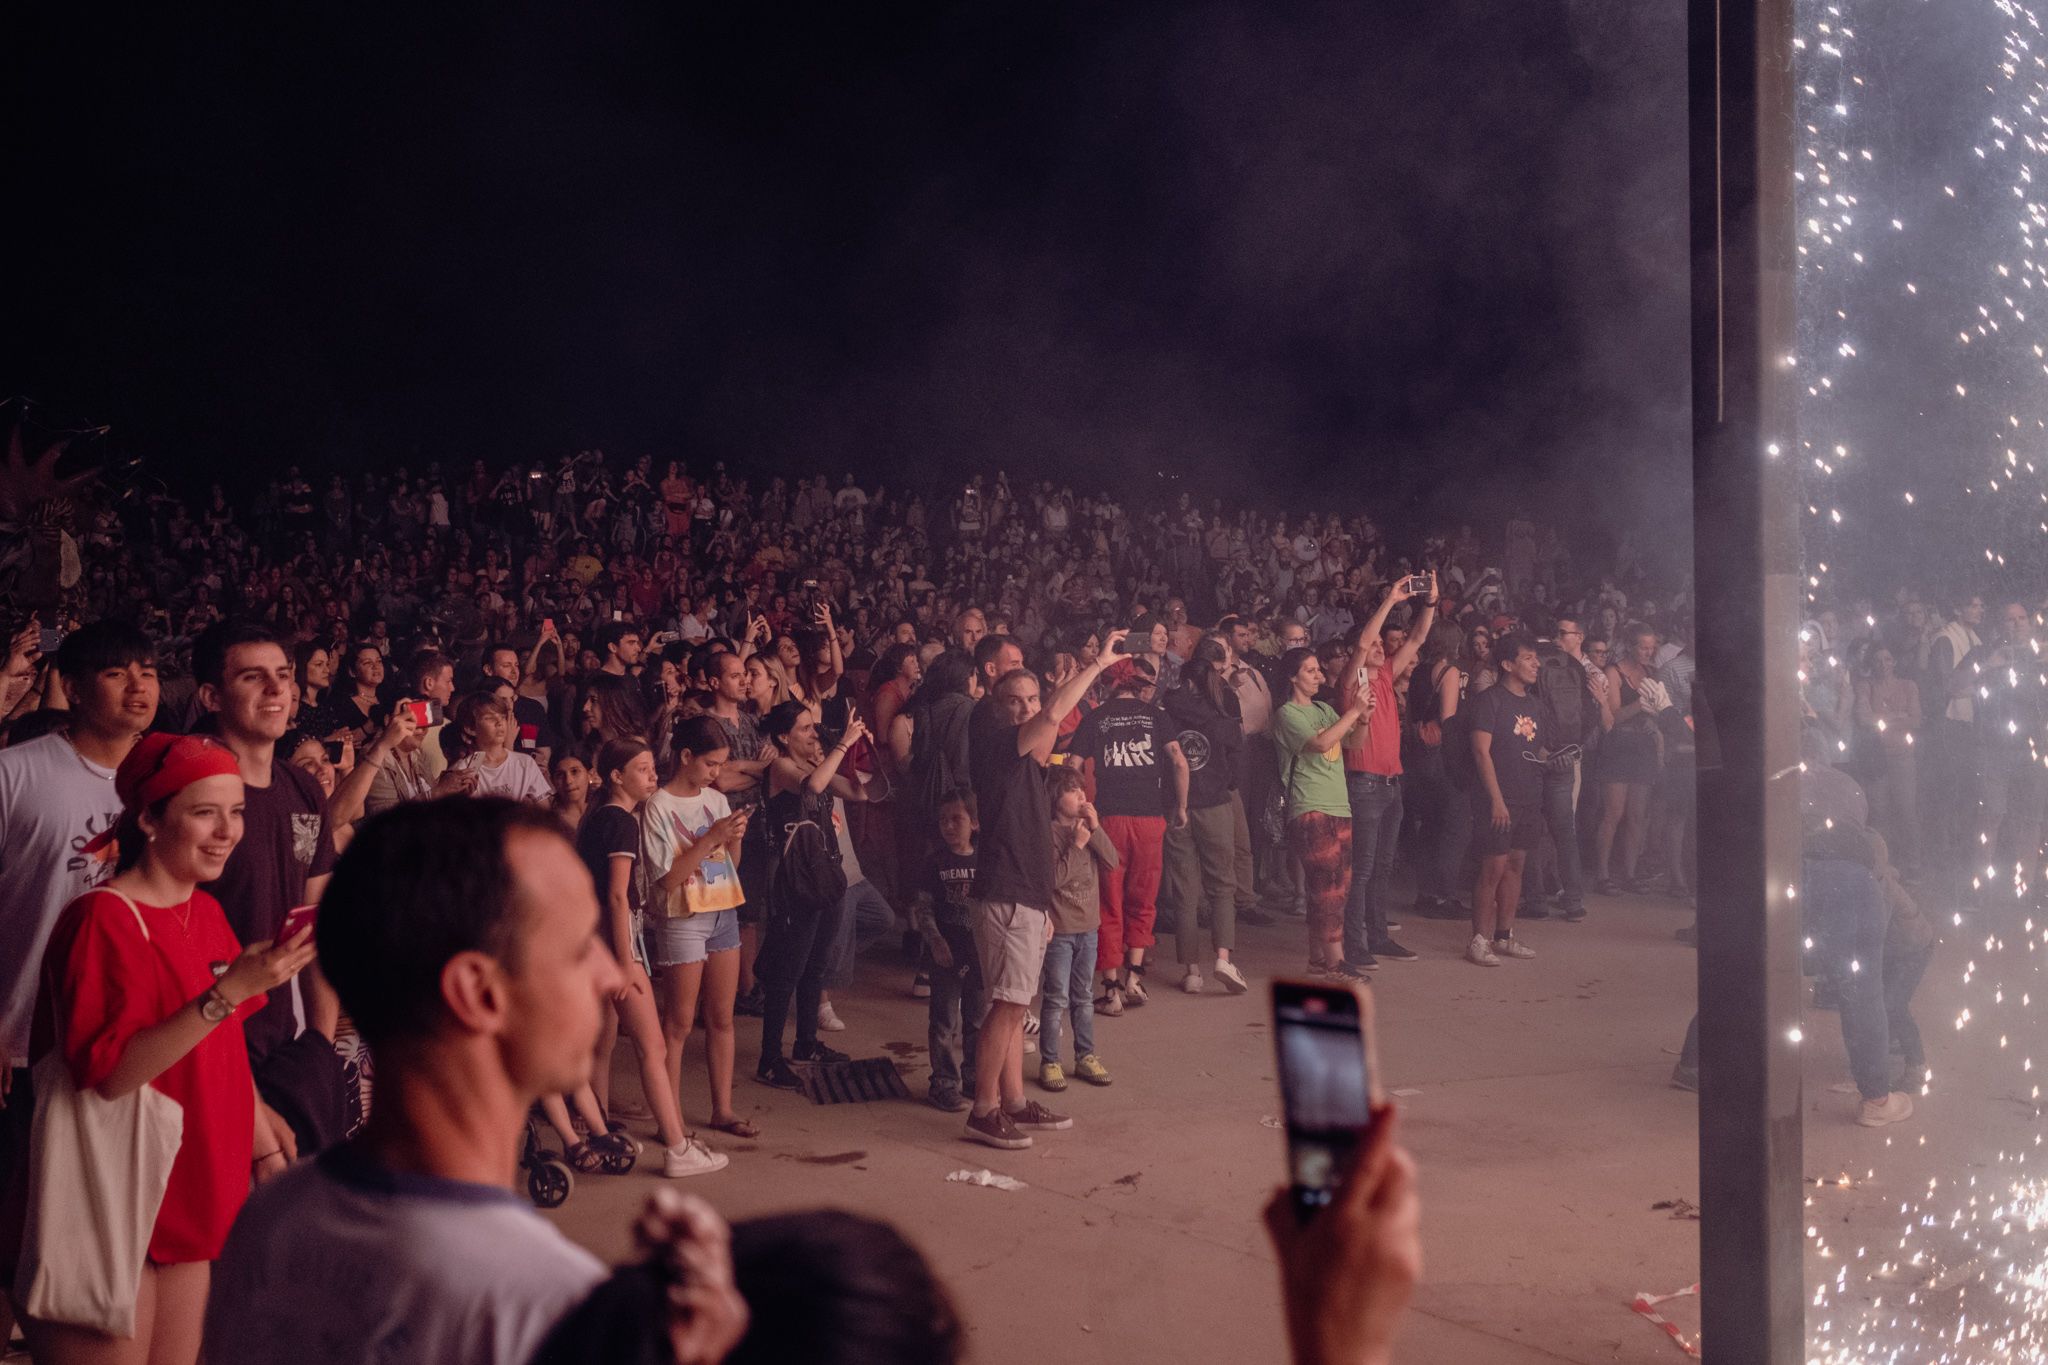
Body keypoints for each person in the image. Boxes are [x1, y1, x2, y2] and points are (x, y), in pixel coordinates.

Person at [205, 798, 750, 1365]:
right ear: (480, 993)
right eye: (577, 946)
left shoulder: (273, 1219)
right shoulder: (544, 1304)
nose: (610, 973)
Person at [6, 733, 312, 1365]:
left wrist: (259, 1129)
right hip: (116, 1200)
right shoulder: (102, 918)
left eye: (236, 812)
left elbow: (217, 1047)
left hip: (194, 1194)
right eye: (205, 812)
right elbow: (111, 1073)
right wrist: (227, 993)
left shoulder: (205, 912)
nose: (227, 831)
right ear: (149, 818)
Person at [192, 620, 349, 1152]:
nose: (278, 689)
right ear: (211, 695)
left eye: (283, 675)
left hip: (284, 1046)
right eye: (254, 678)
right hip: (197, 1042)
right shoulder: (188, 789)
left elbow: (317, 927)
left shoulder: (304, 788)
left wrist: (320, 1048)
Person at [963, 631, 1123, 1150]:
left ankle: (1011, 1102)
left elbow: (1054, 723)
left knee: (1013, 1006)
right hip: (1005, 892)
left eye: (1032, 698)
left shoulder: (1029, 762)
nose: (1028, 709)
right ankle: (983, 1109)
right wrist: (1097, 664)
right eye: (1016, 701)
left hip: (1026, 894)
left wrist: (1044, 905)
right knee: (1008, 1006)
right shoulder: (993, 740)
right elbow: (1054, 717)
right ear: (995, 704)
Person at [0, 624, 160, 1123]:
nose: (138, 687)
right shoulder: (15, 774)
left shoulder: (169, 780)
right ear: (71, 687)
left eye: (148, 673)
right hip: (22, 1041)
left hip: (137, 1042)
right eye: (117, 674)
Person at [579, 734, 727, 1177]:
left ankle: (598, 1132)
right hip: (616, 944)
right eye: (642, 769)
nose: (652, 776)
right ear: (615, 776)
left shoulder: (598, 817)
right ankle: (678, 1146)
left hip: (593, 943)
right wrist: (626, 964)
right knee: (653, 1045)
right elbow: (618, 896)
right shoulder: (621, 822)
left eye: (651, 767)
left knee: (603, 1043)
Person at [639, 718, 756, 1146]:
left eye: (721, 764)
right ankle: (667, 1118)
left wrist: (734, 837)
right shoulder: (658, 806)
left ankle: (721, 1108)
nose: (715, 773)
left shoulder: (717, 800)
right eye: (710, 763)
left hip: (723, 907)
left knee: (722, 1017)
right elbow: (666, 880)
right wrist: (711, 839)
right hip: (682, 916)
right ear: (685, 756)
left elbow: (730, 865)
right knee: (678, 1023)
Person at [754, 703, 869, 1090]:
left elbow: (859, 793)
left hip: (823, 875)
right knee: (787, 969)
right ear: (785, 737)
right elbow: (815, 787)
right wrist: (843, 745)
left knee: (814, 965)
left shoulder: (814, 764)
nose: (813, 733)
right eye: (804, 728)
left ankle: (806, 1043)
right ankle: (769, 1058)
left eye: (812, 726)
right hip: (794, 880)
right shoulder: (782, 768)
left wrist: (853, 750)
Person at [1068, 658, 1186, 1012]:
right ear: (1138, 685)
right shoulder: (1156, 716)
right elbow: (1179, 762)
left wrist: (1079, 810)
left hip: (1109, 821)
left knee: (1108, 901)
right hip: (1150, 820)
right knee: (1143, 898)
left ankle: (1110, 989)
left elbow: (1073, 767)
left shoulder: (1096, 718)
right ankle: (1134, 977)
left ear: (1108, 686)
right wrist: (1180, 806)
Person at [1336, 575, 1435, 968]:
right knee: (1360, 870)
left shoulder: (1385, 678)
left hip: (1391, 784)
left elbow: (1417, 640)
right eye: (1376, 644)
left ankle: (1376, 937)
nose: (1380, 647)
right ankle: (1354, 943)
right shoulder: (1352, 681)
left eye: (1382, 645)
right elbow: (1363, 642)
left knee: (1381, 867)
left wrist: (1430, 603)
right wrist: (1392, 599)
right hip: (1364, 784)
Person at [1272, 647, 1372, 980]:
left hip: (1338, 804)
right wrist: (1353, 712)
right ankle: (1335, 963)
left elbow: (1354, 744)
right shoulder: (1287, 713)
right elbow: (1320, 743)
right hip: (1310, 807)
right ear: (1293, 677)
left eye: (1318, 669)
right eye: (1311, 670)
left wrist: (1364, 718)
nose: (1318, 676)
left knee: (1334, 887)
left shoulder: (1324, 708)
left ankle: (1318, 959)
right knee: (1329, 887)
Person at [1159, 637, 1252, 994]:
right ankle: (1223, 959)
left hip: (1176, 804)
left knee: (1185, 890)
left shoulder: (1169, 707)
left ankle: (1192, 971)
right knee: (1222, 885)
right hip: (1215, 800)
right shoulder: (1225, 707)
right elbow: (1236, 746)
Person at [1463, 634, 1555, 966]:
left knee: (1516, 865)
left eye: (1536, 658)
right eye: (1529, 658)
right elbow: (1480, 751)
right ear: (1507, 664)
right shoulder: (1490, 700)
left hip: (1529, 797)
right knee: (1494, 867)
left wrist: (1552, 759)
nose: (1536, 664)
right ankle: (1478, 939)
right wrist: (1497, 800)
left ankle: (1504, 935)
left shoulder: (1533, 703)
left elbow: (1534, 747)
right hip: (1498, 799)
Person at [1039, 764, 1115, 1091]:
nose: (1081, 795)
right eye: (1072, 790)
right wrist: (1078, 845)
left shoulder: (1088, 828)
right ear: (1056, 798)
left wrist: (1095, 832)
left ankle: (1086, 1055)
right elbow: (1052, 880)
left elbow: (1113, 861)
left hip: (1089, 928)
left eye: (1081, 788)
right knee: (1056, 997)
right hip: (1061, 930)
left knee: (1083, 996)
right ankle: (1050, 1061)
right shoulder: (1050, 834)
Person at [909, 788, 981, 1112]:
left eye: (957, 819)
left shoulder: (985, 858)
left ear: (975, 823)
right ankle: (943, 1083)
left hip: (978, 954)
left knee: (977, 1020)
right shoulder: (934, 862)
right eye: (943, 821)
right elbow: (923, 909)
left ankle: (975, 1077)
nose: (949, 826)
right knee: (943, 1021)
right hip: (945, 954)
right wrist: (935, 941)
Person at [1592, 623, 1662, 894]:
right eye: (1643, 647)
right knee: (1613, 813)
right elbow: (1614, 715)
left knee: (1637, 815)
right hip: (1619, 745)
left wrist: (1652, 719)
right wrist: (1642, 704)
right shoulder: (1614, 671)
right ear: (1631, 646)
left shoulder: (1651, 672)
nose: (1648, 652)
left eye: (1651, 647)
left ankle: (1629, 874)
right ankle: (1602, 874)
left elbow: (1656, 710)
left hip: (1642, 746)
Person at [444, 690, 554, 803]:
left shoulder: (524, 762)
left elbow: (544, 809)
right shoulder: (462, 771)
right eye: (490, 718)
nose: (499, 723)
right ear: (470, 728)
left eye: (502, 717)